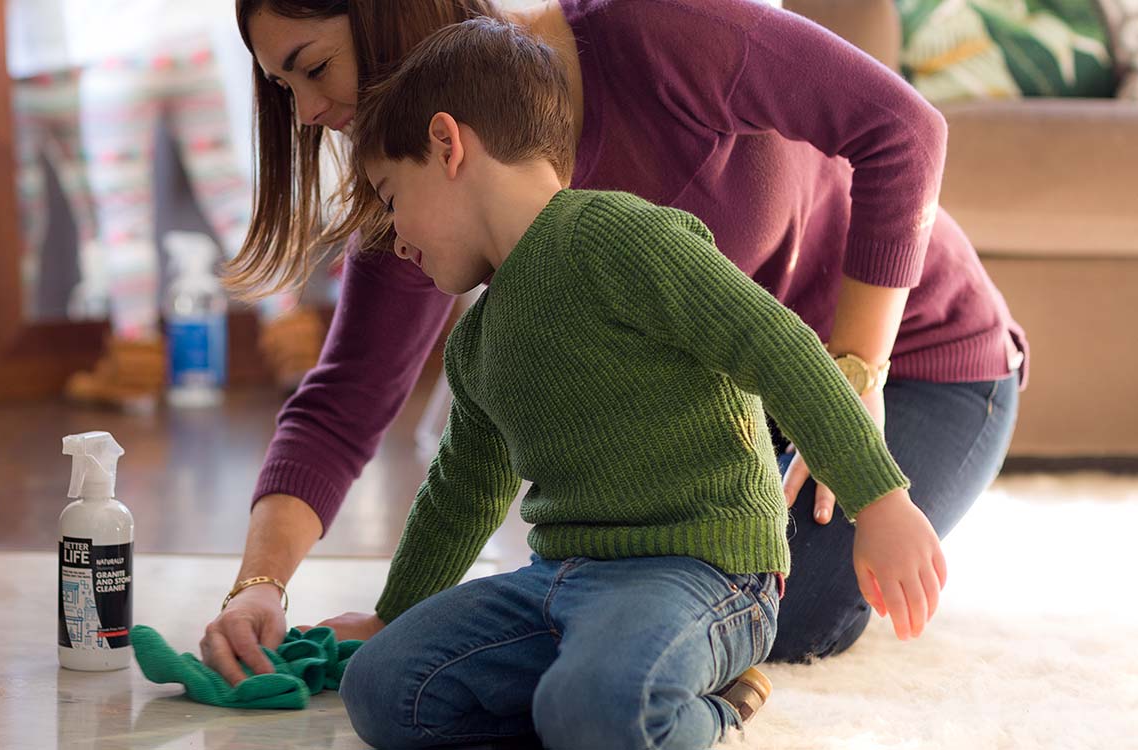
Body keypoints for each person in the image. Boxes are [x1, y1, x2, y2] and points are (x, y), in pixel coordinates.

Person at [200, 0, 1023, 683]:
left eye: (310, 68)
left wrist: (855, 375)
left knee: (770, 607)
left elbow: (905, 130)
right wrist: (259, 587)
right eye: (283, 89)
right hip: (731, 412)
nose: (305, 114)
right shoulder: (420, 203)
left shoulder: (650, 30)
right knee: (621, 597)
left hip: (917, 359)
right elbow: (345, 404)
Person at [325, 19, 945, 748]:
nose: (395, 238)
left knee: (592, 708)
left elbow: (778, 346)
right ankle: (603, 711)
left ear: (446, 144)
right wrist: (393, 615)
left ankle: (710, 710)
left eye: (391, 197)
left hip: (702, 572)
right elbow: (461, 493)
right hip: (558, 582)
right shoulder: (477, 341)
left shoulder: (620, 235)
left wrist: (881, 501)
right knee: (382, 690)